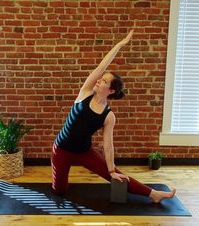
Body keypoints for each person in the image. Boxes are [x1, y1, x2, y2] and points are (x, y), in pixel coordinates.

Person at [51, 30, 176, 203]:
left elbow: (108, 145)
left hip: (84, 151)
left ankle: (153, 194)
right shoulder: (85, 92)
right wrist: (120, 44)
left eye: (104, 81)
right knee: (59, 191)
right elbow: (101, 67)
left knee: (117, 174)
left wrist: (111, 171)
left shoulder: (109, 116)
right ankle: (60, 184)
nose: (99, 80)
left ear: (110, 90)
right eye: (101, 79)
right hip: (61, 149)